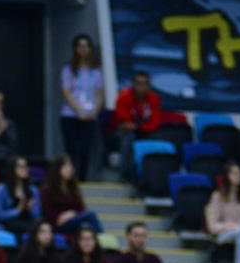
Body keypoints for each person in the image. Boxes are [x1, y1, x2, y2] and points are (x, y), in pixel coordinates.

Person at [59, 34, 103, 180]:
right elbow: (66, 92)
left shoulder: (96, 72)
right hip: (70, 115)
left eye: (86, 46)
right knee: (71, 149)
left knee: (85, 150)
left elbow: (99, 94)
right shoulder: (68, 70)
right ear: (75, 49)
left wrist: (94, 112)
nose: (83, 50)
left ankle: (82, 179)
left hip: (90, 115)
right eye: (80, 46)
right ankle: (69, 179)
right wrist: (79, 111)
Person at [113, 71, 162, 182]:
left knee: (158, 138)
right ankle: (124, 175)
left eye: (145, 84)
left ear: (149, 86)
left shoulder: (154, 99)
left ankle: (155, 176)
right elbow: (124, 123)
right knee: (128, 138)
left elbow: (155, 123)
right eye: (139, 83)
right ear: (133, 84)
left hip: (144, 131)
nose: (142, 87)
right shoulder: (124, 96)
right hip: (125, 132)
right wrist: (138, 126)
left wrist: (138, 127)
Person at [40, 155, 103, 235]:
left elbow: (82, 209)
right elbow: (47, 211)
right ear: (58, 168)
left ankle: (99, 240)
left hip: (73, 221)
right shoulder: (46, 189)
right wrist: (61, 217)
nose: (70, 169)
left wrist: (72, 214)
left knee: (87, 223)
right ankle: (102, 238)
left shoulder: (74, 189)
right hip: (56, 224)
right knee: (91, 215)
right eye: (66, 166)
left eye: (71, 166)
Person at [0, 155, 41, 235]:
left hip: (27, 223)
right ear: (12, 169)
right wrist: (17, 210)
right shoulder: (2, 189)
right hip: (7, 224)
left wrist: (30, 208)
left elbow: (37, 215)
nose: (24, 169)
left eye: (26, 166)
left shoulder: (33, 189)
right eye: (20, 166)